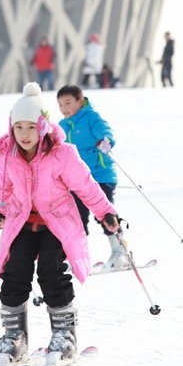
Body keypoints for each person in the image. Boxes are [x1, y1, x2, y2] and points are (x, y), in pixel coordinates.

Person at [0, 82, 120, 366]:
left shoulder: (62, 154)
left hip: (57, 223)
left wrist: (105, 212)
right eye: (18, 127)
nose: (24, 134)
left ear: (43, 126)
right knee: (14, 272)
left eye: (31, 127)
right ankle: (14, 337)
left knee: (51, 270)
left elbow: (86, 186)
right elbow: (0, 187)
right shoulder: (5, 153)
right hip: (22, 220)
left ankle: (64, 336)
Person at [57, 84, 129, 271]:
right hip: (76, 181)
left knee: (104, 214)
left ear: (80, 101)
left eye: (68, 103)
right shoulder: (62, 126)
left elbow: (106, 133)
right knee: (77, 219)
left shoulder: (91, 118)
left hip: (100, 175)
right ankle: (78, 257)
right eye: (60, 105)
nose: (64, 109)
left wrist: (104, 141)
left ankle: (120, 251)